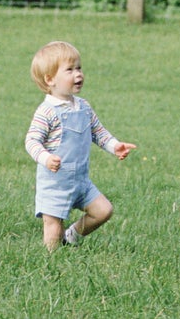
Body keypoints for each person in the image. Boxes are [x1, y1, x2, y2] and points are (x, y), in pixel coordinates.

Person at [25, 41, 136, 250]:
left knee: (104, 211)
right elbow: (31, 141)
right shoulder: (46, 111)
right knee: (53, 229)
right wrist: (46, 158)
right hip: (55, 184)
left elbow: (98, 131)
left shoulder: (83, 106)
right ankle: (52, 263)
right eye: (69, 70)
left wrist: (114, 146)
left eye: (79, 68)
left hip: (80, 181)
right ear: (50, 80)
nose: (78, 74)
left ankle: (72, 236)